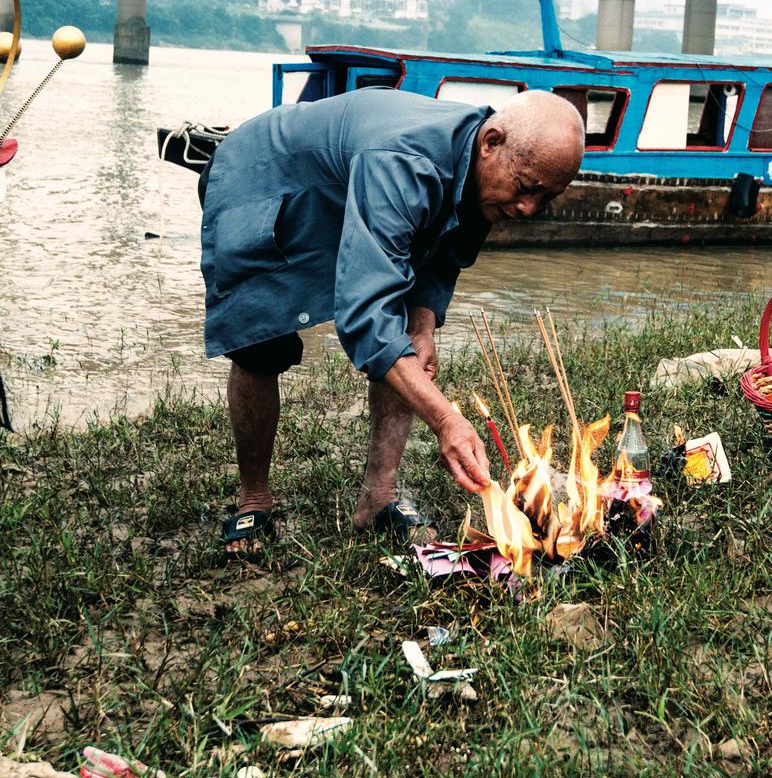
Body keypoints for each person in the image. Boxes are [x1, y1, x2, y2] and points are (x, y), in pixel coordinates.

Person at [199, 87, 585, 553]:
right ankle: (253, 501)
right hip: (260, 177)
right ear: (492, 141)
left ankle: (377, 498)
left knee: (405, 337)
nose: (527, 209)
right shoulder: (404, 161)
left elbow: (443, 255)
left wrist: (422, 325)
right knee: (260, 343)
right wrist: (445, 420)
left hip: (349, 176)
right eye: (526, 188)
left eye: (546, 198)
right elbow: (366, 316)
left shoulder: (487, 171)